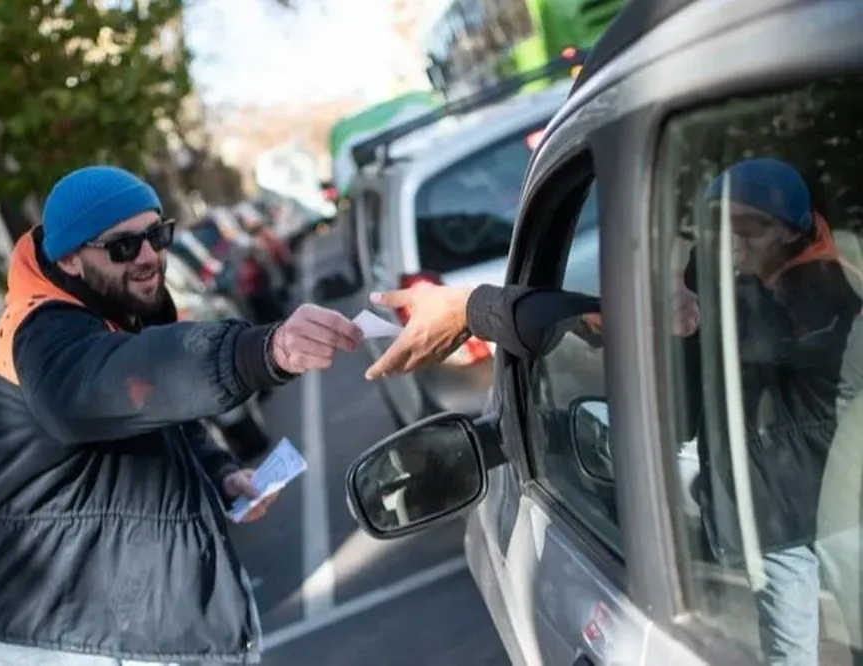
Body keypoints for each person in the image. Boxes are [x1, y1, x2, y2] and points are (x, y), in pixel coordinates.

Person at [365, 158, 862, 666]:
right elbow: (627, 331)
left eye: (751, 228)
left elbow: (737, 329)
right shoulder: (736, 279)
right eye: (723, 226)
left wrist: (475, 308)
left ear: (792, 229)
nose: (734, 242)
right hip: (778, 510)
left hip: (826, 502)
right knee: (791, 648)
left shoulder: (820, 288)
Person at [0, 165, 363, 666]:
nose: (149, 256)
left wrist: (219, 475)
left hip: (133, 621)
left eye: (157, 235)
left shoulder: (111, 308)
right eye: (123, 246)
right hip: (74, 634)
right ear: (71, 259)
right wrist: (267, 349)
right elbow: (121, 384)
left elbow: (157, 420)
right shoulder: (42, 333)